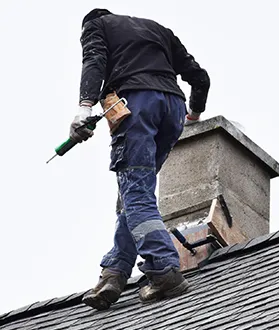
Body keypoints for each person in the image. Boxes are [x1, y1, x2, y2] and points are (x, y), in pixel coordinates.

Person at [71, 8, 210, 310]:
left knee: (135, 193)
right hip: (172, 108)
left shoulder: (96, 25)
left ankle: (164, 269)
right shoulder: (157, 29)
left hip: (136, 104)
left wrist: (84, 108)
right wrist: (194, 113)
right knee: (136, 193)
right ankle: (115, 272)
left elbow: (94, 61)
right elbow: (200, 78)